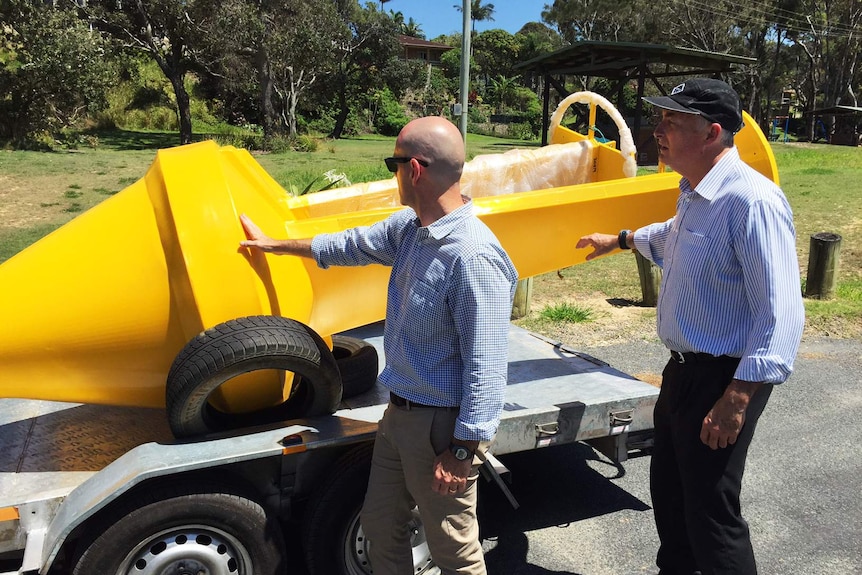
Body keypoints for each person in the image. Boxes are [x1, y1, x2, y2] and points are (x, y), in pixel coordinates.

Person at [240, 116, 518, 575]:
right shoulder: (412, 230)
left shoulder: (472, 256)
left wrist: (464, 450)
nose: (392, 174)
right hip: (399, 415)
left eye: (393, 162)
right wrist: (275, 246)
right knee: (380, 524)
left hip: (440, 429)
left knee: (454, 550)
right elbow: (350, 244)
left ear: (414, 170)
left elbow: (486, 367)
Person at [576, 78, 804, 575]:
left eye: (673, 122)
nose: (658, 130)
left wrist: (737, 397)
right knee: (672, 496)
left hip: (724, 378)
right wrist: (619, 238)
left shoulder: (752, 201)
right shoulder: (696, 194)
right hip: (681, 372)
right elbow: (674, 238)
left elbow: (781, 312)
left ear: (712, 133)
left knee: (710, 513)